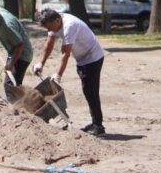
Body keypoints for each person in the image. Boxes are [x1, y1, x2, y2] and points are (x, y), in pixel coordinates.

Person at [33, 8, 106, 136]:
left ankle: (98, 126)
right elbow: (49, 43)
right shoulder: (54, 23)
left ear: (57, 20)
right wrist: (41, 63)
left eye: (50, 28)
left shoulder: (69, 26)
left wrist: (58, 75)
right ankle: (95, 122)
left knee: (90, 91)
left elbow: (65, 53)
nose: (50, 31)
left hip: (92, 58)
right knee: (88, 91)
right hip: (82, 59)